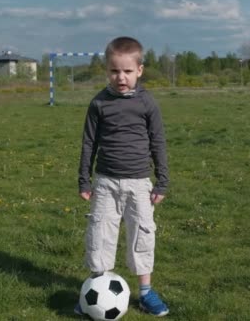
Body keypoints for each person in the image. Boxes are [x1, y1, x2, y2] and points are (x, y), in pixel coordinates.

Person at [75, 36, 170, 317]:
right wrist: (84, 179)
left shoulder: (147, 103)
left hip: (140, 183)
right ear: (107, 70)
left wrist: (162, 181)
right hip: (104, 182)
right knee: (100, 234)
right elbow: (88, 144)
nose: (121, 77)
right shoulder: (99, 104)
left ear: (139, 70)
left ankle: (145, 293)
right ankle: (94, 292)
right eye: (115, 71)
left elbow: (158, 142)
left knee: (142, 235)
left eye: (127, 71)